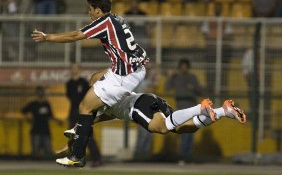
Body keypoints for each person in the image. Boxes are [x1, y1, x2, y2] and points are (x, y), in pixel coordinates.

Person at [32, 0, 148, 167]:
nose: (89, 14)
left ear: (99, 11)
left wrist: (48, 37)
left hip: (125, 74)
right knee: (94, 79)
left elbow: (75, 36)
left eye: (90, 10)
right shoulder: (117, 18)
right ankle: (83, 127)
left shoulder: (104, 23)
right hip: (134, 68)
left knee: (85, 106)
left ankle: (77, 154)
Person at [60, 70, 247, 167]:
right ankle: (223, 111)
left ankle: (201, 107)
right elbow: (90, 122)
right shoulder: (101, 105)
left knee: (161, 128)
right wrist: (74, 142)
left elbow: (96, 80)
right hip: (149, 100)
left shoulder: (104, 94)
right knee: (183, 128)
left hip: (139, 106)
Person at [166, 58, 202, 163]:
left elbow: (200, 91)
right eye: (181, 67)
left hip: (192, 107)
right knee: (184, 133)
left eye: (185, 67)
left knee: (191, 133)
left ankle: (188, 157)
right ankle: (183, 157)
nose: (183, 69)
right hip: (181, 108)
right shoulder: (176, 77)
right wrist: (170, 76)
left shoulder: (192, 77)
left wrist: (193, 88)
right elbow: (167, 87)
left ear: (188, 67)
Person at [66, 64, 102, 167]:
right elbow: (71, 97)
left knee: (88, 136)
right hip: (73, 113)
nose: (74, 70)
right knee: (72, 137)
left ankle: (97, 159)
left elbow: (85, 96)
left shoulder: (84, 82)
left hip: (84, 112)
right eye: (72, 68)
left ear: (78, 70)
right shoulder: (69, 83)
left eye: (76, 68)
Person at [21, 86, 60, 159]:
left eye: (41, 92)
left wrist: (57, 121)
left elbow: (51, 115)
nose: (40, 94)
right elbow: (23, 111)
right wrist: (28, 117)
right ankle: (34, 167)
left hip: (45, 130)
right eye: (39, 92)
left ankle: (46, 167)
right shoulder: (33, 104)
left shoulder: (46, 104)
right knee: (35, 151)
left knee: (48, 151)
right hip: (35, 129)